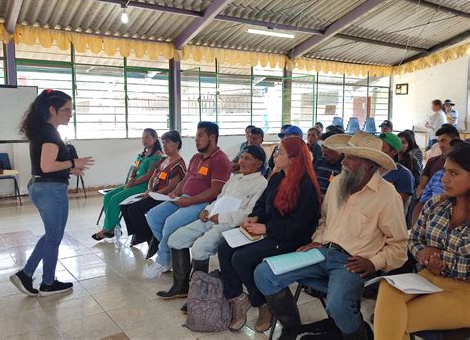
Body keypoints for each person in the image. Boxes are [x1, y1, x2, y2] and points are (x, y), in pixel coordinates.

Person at [254, 131, 408, 340]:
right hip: (323, 252)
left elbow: (399, 246)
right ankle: (292, 327)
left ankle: (358, 336)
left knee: (337, 304)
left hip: (353, 262)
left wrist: (373, 262)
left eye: (351, 158)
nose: (343, 161)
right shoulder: (338, 183)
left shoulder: (387, 196)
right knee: (264, 273)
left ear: (370, 164)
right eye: (345, 155)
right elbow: (325, 219)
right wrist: (317, 240)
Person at [218, 137, 321, 333]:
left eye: (280, 152)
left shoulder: (306, 185)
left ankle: (262, 304)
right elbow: (263, 204)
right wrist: (255, 217)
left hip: (291, 239)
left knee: (241, 259)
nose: (275, 155)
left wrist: (266, 229)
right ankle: (239, 298)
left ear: (293, 158)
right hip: (271, 231)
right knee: (224, 247)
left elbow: (299, 225)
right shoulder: (277, 177)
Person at [374, 142, 470, 340]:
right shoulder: (436, 205)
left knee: (393, 319)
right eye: (445, 172)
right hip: (428, 277)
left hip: (465, 290)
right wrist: (423, 253)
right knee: (388, 288)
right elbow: (415, 239)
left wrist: (442, 259)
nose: (444, 179)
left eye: (454, 173)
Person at [158, 146, 268, 306]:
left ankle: (198, 296)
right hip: (212, 217)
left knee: (199, 248)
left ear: (258, 163)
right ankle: (181, 287)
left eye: (247, 158)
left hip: (231, 224)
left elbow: (249, 213)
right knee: (176, 238)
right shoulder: (235, 178)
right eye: (241, 157)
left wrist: (222, 217)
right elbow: (220, 198)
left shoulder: (261, 184)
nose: (241, 161)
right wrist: (207, 209)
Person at [10, 89, 94, 296]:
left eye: (70, 110)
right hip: (50, 190)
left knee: (52, 235)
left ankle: (39, 278)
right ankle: (37, 278)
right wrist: (74, 162)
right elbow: (47, 166)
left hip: (44, 187)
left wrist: (69, 169)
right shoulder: (49, 132)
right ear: (52, 109)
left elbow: (47, 166)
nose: (70, 114)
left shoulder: (45, 131)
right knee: (54, 237)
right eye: (66, 110)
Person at [145, 122, 231, 276]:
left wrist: (189, 201)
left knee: (170, 223)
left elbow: (216, 191)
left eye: (200, 136)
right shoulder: (196, 157)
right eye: (195, 136)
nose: (196, 140)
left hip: (202, 203)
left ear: (212, 137)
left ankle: (162, 261)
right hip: (182, 198)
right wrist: (176, 192)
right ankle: (172, 255)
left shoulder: (220, 160)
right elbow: (186, 177)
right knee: (153, 216)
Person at [92, 128, 163, 241]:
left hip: (143, 186)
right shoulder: (141, 154)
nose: (144, 140)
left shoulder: (157, 156)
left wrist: (133, 182)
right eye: (143, 137)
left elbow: (150, 175)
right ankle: (114, 228)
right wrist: (131, 179)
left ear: (155, 139)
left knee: (115, 199)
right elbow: (134, 169)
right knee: (108, 196)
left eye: (147, 137)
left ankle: (107, 229)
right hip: (133, 183)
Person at [120, 131, 186, 248]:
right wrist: (149, 189)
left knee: (134, 209)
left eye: (168, 143)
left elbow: (171, 187)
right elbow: (152, 176)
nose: (164, 145)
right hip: (153, 193)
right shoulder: (163, 159)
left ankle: (149, 236)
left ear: (176, 144)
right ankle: (138, 234)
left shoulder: (178, 164)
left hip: (164, 197)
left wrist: (153, 194)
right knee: (125, 205)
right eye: (163, 142)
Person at [412, 137, 463, 226]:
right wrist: (415, 227)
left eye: (454, 173)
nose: (444, 179)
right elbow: (422, 203)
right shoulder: (436, 201)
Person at [415, 125, 460, 201]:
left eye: (443, 140)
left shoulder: (464, 163)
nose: (440, 146)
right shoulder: (432, 161)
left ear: (455, 141)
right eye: (439, 142)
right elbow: (421, 188)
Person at [379, 132, 415, 211]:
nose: (378, 150)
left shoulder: (404, 175)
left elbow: (397, 207)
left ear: (394, 152)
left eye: (382, 147)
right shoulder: (372, 169)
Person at [313, 129, 344, 195]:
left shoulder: (345, 166)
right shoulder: (319, 162)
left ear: (337, 147)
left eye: (326, 147)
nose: (322, 151)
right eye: (322, 147)